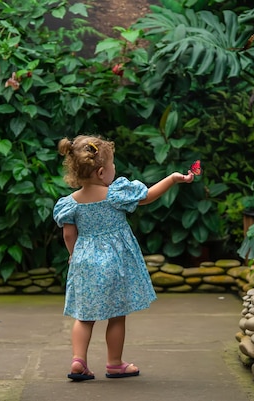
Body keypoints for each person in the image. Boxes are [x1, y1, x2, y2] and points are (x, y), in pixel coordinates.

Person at [53, 135, 194, 381]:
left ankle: (78, 361)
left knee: (84, 316)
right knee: (116, 315)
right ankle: (115, 363)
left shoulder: (70, 204)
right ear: (100, 172)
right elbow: (147, 196)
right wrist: (172, 178)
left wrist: (74, 255)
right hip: (115, 263)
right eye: (112, 166)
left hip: (84, 262)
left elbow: (68, 234)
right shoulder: (116, 194)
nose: (114, 170)